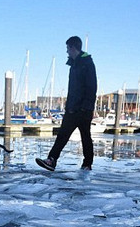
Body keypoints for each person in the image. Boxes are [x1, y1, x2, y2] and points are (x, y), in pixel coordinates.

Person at [36, 36, 97, 171]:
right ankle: (52, 160)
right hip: (72, 108)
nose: (67, 52)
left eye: (67, 49)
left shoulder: (87, 64)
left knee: (85, 136)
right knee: (63, 135)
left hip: (83, 109)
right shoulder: (74, 65)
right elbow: (73, 89)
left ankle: (87, 164)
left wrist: (86, 107)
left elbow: (92, 87)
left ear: (73, 48)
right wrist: (68, 105)